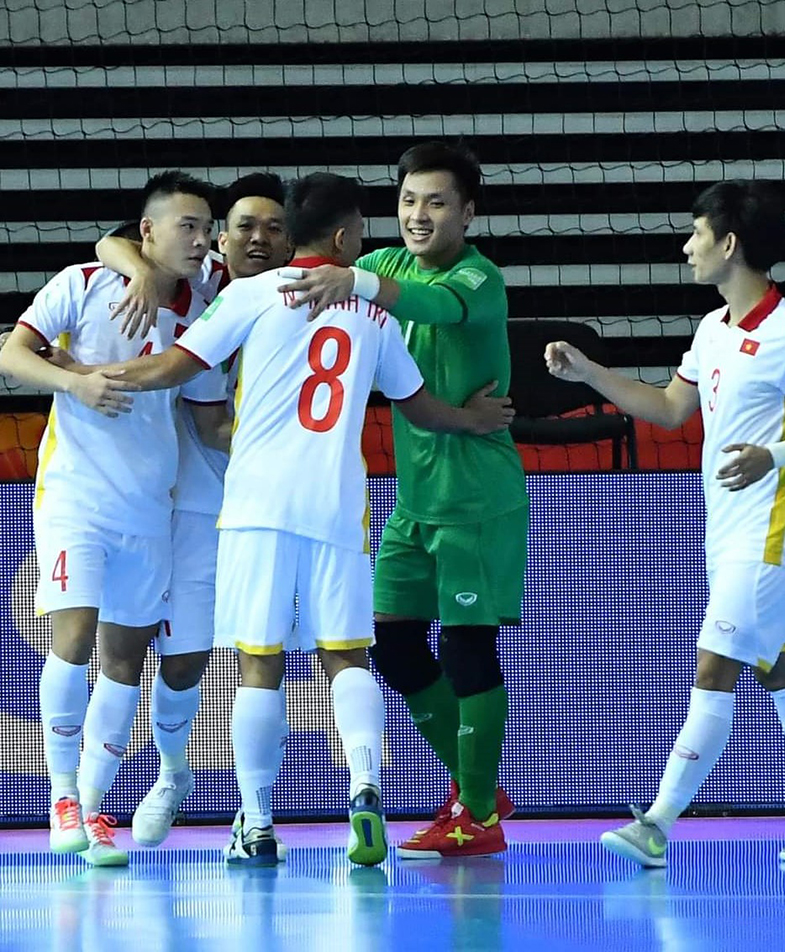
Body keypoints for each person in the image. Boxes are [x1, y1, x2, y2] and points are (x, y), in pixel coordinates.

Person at [87, 171, 515, 867]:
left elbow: (175, 365)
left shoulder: (255, 294)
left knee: (259, 666)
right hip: (338, 504)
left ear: (294, 230)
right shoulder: (373, 314)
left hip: (257, 505)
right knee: (346, 657)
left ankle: (256, 825)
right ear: (346, 238)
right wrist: (473, 419)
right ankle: (366, 788)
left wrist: (92, 377)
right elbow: (420, 406)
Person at [545, 179, 785, 867]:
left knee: (715, 664)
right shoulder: (711, 328)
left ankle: (657, 824)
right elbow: (668, 409)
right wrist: (587, 372)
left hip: (771, 535)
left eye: (695, 233)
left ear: (728, 244)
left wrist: (775, 455)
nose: (686, 245)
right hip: (724, 535)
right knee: (779, 668)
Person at [281, 141, 528, 859]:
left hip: (477, 495)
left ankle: (477, 817)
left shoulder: (480, 279)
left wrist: (350, 276)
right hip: (412, 500)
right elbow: (329, 282)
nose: (418, 216)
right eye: (408, 201)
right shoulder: (381, 265)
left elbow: (432, 304)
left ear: (468, 212)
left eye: (437, 202)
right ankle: (475, 784)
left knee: (466, 648)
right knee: (389, 642)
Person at [0, 171, 227, 866]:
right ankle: (61, 796)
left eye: (206, 226)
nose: (202, 238)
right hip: (76, 496)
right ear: (148, 231)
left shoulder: (208, 301)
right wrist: (75, 380)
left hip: (151, 505)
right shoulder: (82, 281)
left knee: (124, 661)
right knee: (73, 635)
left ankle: (95, 809)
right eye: (186, 226)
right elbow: (12, 353)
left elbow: (209, 400)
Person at [94, 173, 295, 856]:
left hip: (248, 499)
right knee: (150, 654)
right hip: (166, 494)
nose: (255, 240)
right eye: (242, 227)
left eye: (272, 229)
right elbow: (114, 240)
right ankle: (131, 790)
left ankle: (213, 793)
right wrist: (140, 277)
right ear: (221, 235)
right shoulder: (197, 274)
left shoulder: (295, 303)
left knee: (219, 660)